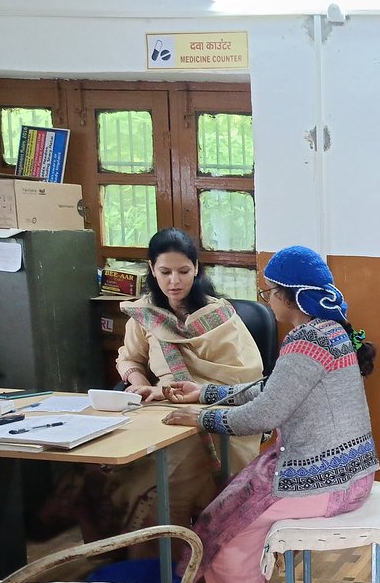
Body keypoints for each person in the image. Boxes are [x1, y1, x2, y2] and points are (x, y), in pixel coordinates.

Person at [162, 245, 379, 583]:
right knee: (226, 508)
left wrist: (201, 416)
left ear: (289, 297)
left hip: (327, 483)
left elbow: (262, 416)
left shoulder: (306, 343)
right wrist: (206, 393)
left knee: (223, 533)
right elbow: (273, 392)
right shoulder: (329, 333)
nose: (267, 300)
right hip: (350, 472)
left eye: (268, 293)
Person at [50, 228, 262, 542]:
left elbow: (244, 382)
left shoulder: (221, 318)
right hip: (160, 411)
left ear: (196, 269)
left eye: (183, 271)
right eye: (165, 272)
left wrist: (165, 391)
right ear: (152, 270)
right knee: (98, 470)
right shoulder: (145, 315)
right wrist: (137, 383)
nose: (174, 281)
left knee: (160, 484)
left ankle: (176, 571)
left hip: (215, 420)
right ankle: (116, 566)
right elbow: (129, 358)